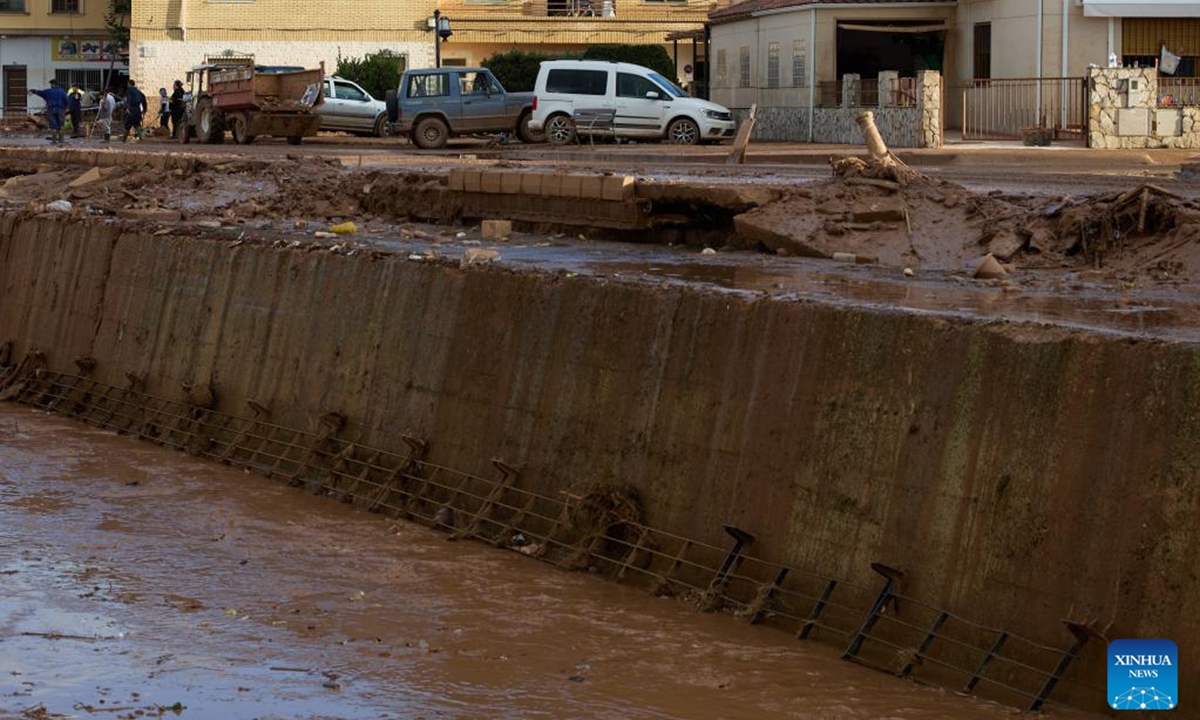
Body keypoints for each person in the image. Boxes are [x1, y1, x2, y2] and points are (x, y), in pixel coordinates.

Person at [29, 79, 69, 144]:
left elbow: (40, 93)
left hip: (51, 110)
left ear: (53, 84)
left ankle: (54, 141)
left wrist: (33, 91)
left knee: (53, 126)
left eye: (51, 84)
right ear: (58, 84)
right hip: (60, 110)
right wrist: (65, 109)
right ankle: (61, 140)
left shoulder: (48, 91)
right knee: (61, 125)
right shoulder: (62, 91)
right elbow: (67, 101)